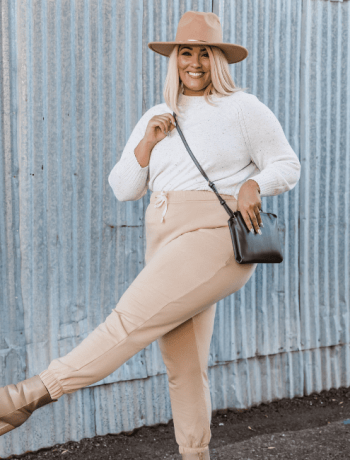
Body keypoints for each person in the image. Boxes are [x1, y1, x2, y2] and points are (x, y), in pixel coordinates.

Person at [0, 11, 301, 460]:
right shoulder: (159, 113)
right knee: (184, 366)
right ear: (174, 58)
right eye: (186, 52)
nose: (194, 62)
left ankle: (20, 398)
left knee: (126, 323)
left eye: (205, 52)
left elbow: (287, 164)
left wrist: (253, 184)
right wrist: (147, 144)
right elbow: (124, 188)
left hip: (214, 236)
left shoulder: (243, 108)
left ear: (219, 60)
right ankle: (195, 455)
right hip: (163, 235)